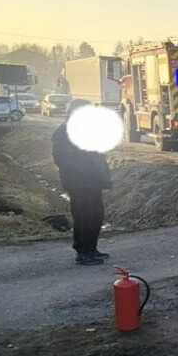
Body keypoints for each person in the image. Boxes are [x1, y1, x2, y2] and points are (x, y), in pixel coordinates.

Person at [52, 100, 113, 266]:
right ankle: (83, 251)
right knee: (84, 217)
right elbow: (62, 158)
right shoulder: (63, 132)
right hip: (78, 182)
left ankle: (92, 249)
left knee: (96, 216)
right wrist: (85, 170)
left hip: (93, 182)